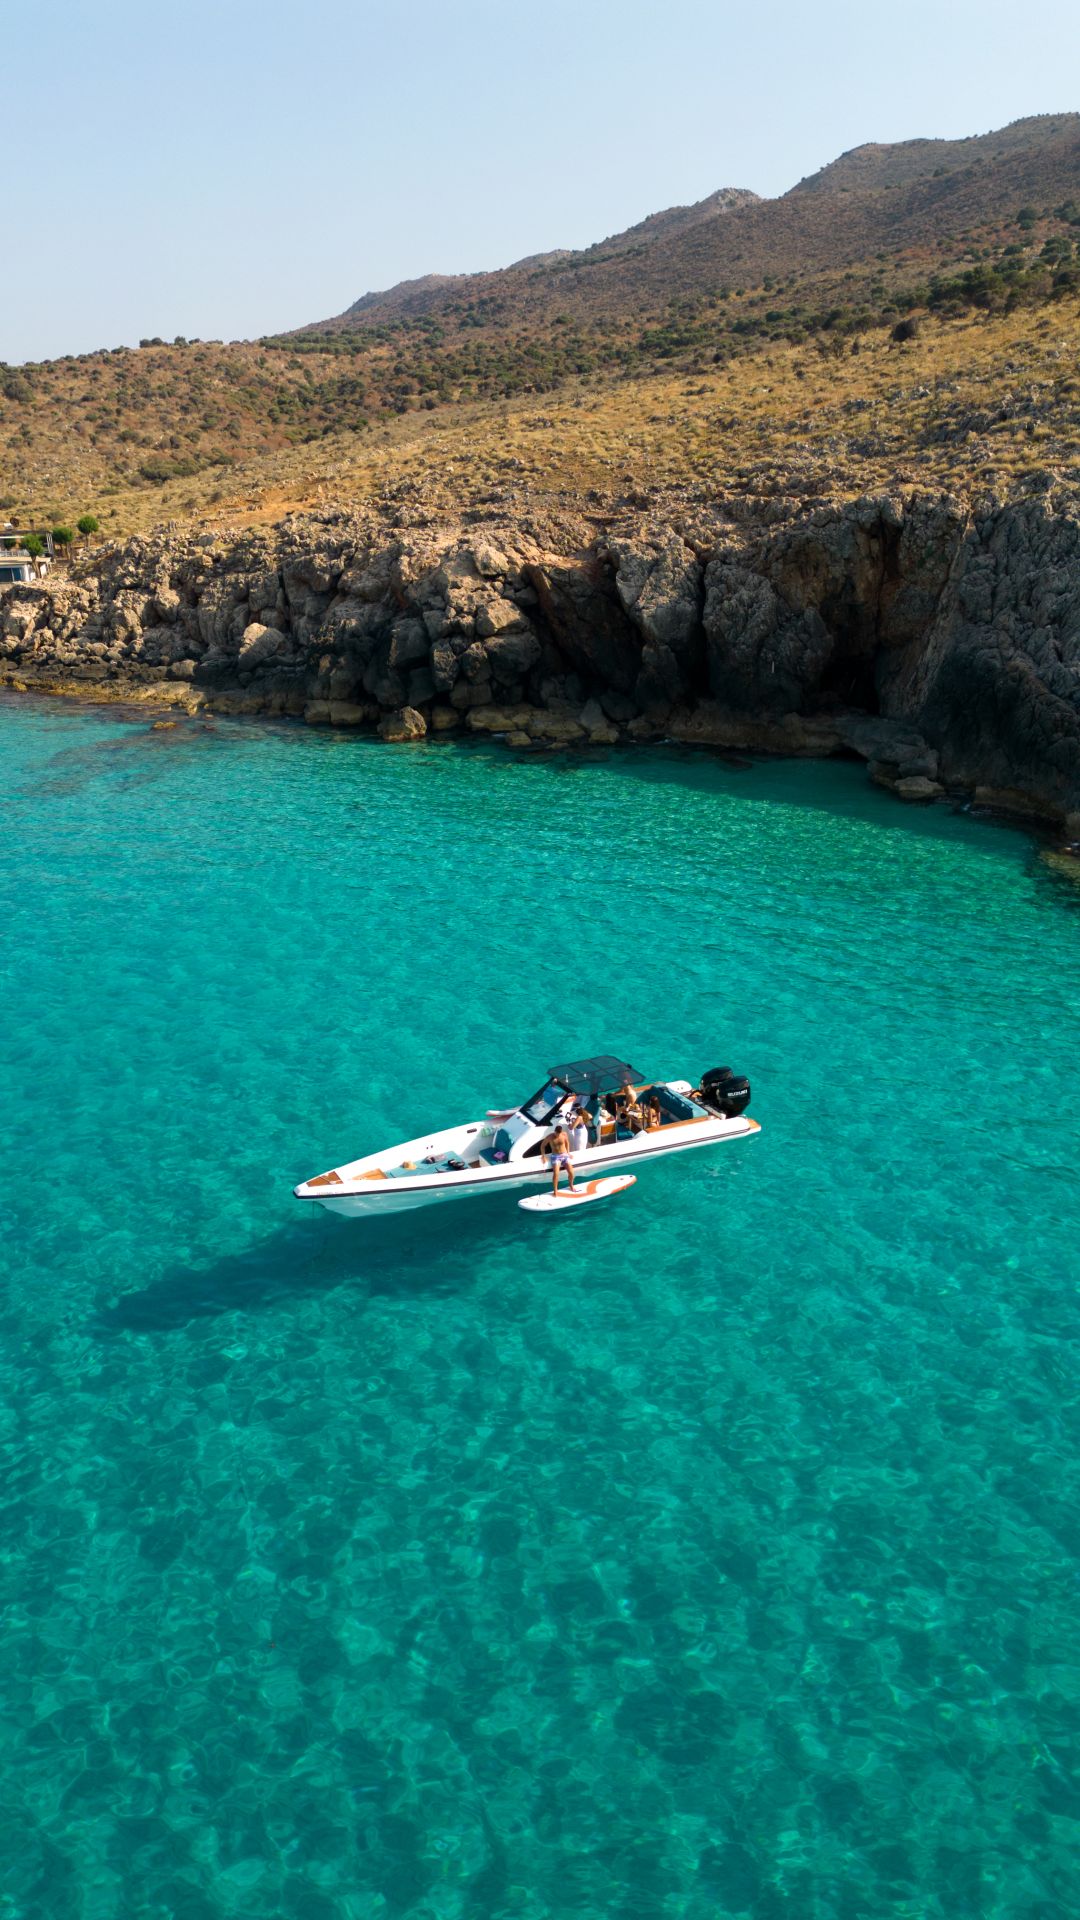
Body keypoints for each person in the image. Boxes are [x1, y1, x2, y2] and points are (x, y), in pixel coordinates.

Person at [541, 1120, 576, 1195]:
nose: (557, 1135)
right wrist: (543, 1156)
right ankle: (555, 1190)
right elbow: (542, 1146)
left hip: (564, 1155)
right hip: (556, 1156)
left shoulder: (564, 1134)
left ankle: (571, 1185)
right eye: (557, 1134)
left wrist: (568, 1153)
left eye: (559, 1134)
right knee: (556, 1173)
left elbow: (567, 1143)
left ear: (561, 1132)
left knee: (571, 1172)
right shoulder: (550, 1137)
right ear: (555, 1132)